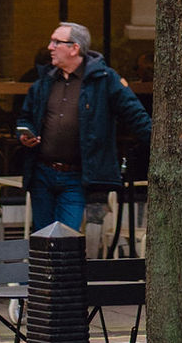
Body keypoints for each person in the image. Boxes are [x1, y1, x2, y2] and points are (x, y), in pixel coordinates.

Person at [15, 20, 151, 236]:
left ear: (74, 48)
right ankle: (44, 272)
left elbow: (135, 115)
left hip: (75, 176)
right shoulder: (45, 81)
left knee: (67, 237)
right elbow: (25, 118)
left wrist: (163, 147)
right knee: (41, 238)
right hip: (42, 173)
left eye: (56, 42)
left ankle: (63, 271)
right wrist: (23, 133)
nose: (50, 47)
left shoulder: (105, 79)